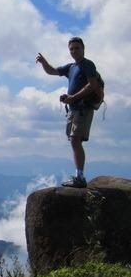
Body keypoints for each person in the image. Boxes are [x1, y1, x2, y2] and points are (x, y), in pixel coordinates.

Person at [36, 37, 100, 188]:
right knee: (73, 140)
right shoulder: (71, 67)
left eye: (77, 48)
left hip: (83, 108)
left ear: (83, 49)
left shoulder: (87, 64)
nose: (74, 51)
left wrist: (73, 98)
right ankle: (79, 175)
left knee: (75, 140)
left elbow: (93, 85)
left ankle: (80, 177)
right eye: (71, 49)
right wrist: (44, 62)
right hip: (73, 109)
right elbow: (52, 71)